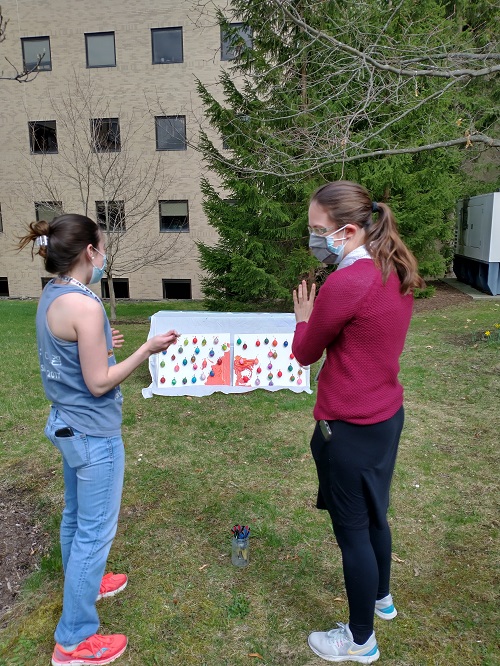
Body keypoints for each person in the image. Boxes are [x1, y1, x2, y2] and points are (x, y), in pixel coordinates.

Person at [18, 214, 179, 666]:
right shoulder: (86, 307)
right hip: (93, 433)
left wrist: (103, 342)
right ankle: (73, 641)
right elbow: (99, 382)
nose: (104, 255)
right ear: (90, 251)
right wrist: (144, 351)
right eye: (102, 247)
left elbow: (70, 352)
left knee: (75, 519)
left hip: (67, 425)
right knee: (94, 532)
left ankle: (84, 582)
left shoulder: (53, 294)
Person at [292, 181, 425, 664]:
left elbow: (305, 353)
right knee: (375, 515)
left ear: (347, 231)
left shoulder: (347, 282)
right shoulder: (394, 267)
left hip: (348, 427)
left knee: (353, 532)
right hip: (386, 416)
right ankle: (381, 599)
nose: (313, 238)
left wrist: (303, 318)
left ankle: (360, 639)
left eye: (317, 230)